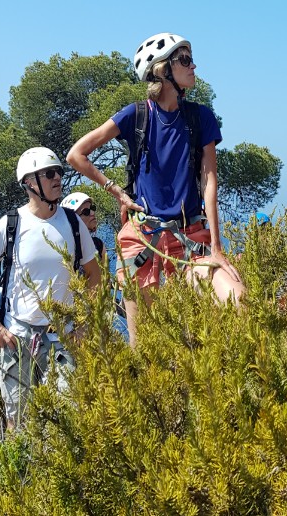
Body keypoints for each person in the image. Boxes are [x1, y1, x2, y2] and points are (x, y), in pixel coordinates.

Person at [67, 33, 244, 343]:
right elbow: (76, 154)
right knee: (145, 349)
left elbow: (209, 181)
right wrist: (115, 191)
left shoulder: (200, 117)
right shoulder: (135, 115)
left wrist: (217, 248)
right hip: (142, 244)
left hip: (189, 241)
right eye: (185, 60)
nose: (194, 66)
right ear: (162, 70)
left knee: (238, 303)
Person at [0, 146, 102, 430]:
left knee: (69, 417)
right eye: (49, 173)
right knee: (18, 421)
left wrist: (85, 323)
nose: (57, 179)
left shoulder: (73, 222)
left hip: (64, 335)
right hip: (19, 336)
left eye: (59, 173)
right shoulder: (11, 224)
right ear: (29, 182)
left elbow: (94, 274)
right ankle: (24, 473)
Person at [62, 190, 108, 262]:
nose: (92, 213)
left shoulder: (98, 244)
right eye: (86, 212)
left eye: (92, 208)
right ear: (73, 219)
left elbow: (105, 272)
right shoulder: (64, 249)